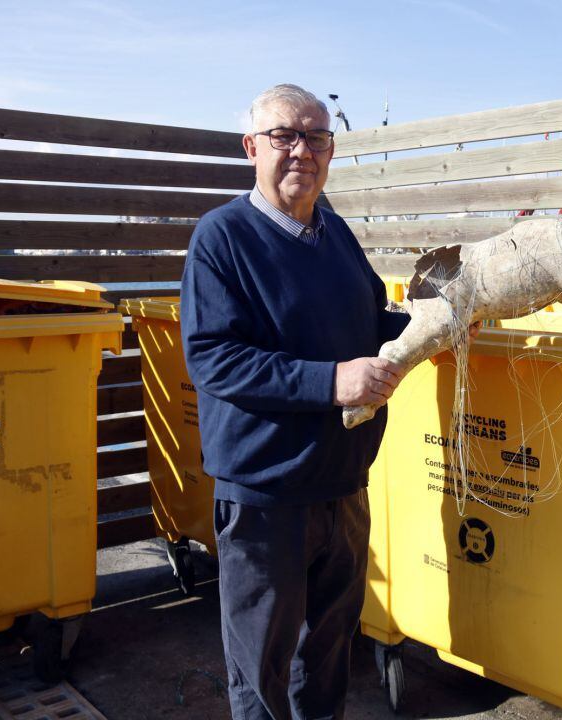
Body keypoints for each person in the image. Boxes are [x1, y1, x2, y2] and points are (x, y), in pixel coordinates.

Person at [180, 84, 411, 720]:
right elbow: (213, 357)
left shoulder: (333, 232)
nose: (301, 150)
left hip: (342, 487)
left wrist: (432, 326)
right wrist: (332, 382)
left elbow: (371, 320)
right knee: (262, 667)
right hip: (266, 497)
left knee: (330, 654)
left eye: (317, 137)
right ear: (252, 147)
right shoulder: (222, 238)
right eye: (285, 135)